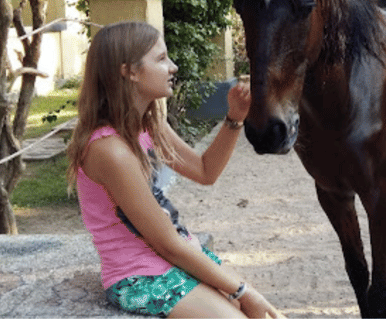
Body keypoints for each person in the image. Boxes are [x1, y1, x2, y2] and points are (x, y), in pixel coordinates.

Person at [66, 21, 282, 318]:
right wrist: (244, 291)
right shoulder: (110, 150)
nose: (173, 66)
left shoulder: (149, 124)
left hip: (176, 257)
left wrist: (235, 117)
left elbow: (205, 171)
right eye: (161, 59)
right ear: (129, 71)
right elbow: (166, 243)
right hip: (140, 276)